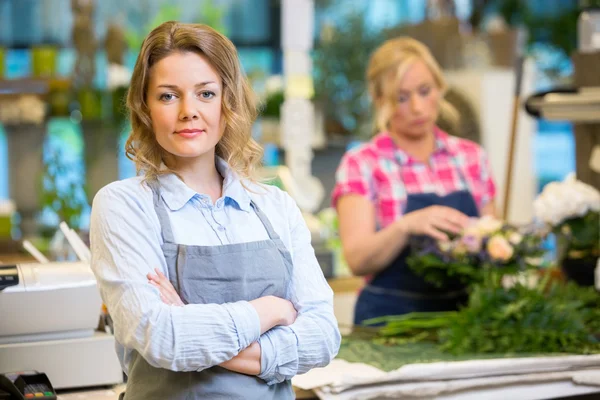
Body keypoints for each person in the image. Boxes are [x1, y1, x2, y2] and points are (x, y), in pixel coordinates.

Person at [90, 21, 340, 400]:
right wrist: (270, 310)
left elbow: (322, 336)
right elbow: (162, 337)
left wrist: (195, 330)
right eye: (168, 96)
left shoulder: (274, 206)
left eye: (205, 93)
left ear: (229, 102)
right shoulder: (123, 205)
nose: (189, 111)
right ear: (145, 108)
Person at [332, 37, 497, 325]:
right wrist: (407, 226)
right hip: (387, 323)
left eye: (425, 91)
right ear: (380, 100)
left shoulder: (472, 157)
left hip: (466, 321)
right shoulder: (363, 163)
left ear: (439, 87)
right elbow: (357, 259)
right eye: (402, 97)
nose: (418, 108)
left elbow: (492, 242)